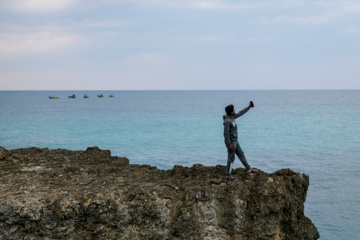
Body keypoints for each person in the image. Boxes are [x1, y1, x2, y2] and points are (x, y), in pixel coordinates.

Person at [223, 102, 255, 180]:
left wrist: (248, 107)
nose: (234, 110)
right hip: (231, 143)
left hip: (236, 141)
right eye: (233, 110)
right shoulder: (227, 121)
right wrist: (228, 145)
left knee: (241, 154)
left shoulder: (232, 117)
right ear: (231, 112)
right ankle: (228, 175)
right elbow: (225, 134)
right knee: (231, 158)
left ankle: (249, 169)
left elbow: (241, 113)